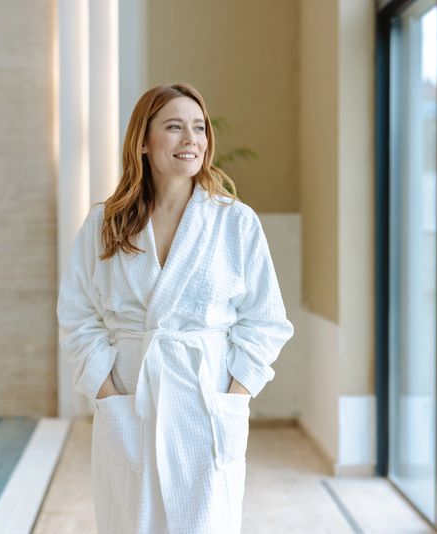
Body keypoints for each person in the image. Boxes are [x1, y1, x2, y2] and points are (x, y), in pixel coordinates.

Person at [56, 83, 294, 534]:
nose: (192, 140)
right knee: (131, 522)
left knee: (205, 522)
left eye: (199, 128)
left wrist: (233, 394)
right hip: (132, 395)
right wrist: (108, 393)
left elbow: (266, 321)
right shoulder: (104, 224)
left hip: (204, 397)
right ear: (143, 142)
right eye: (174, 127)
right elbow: (77, 315)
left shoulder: (234, 221)